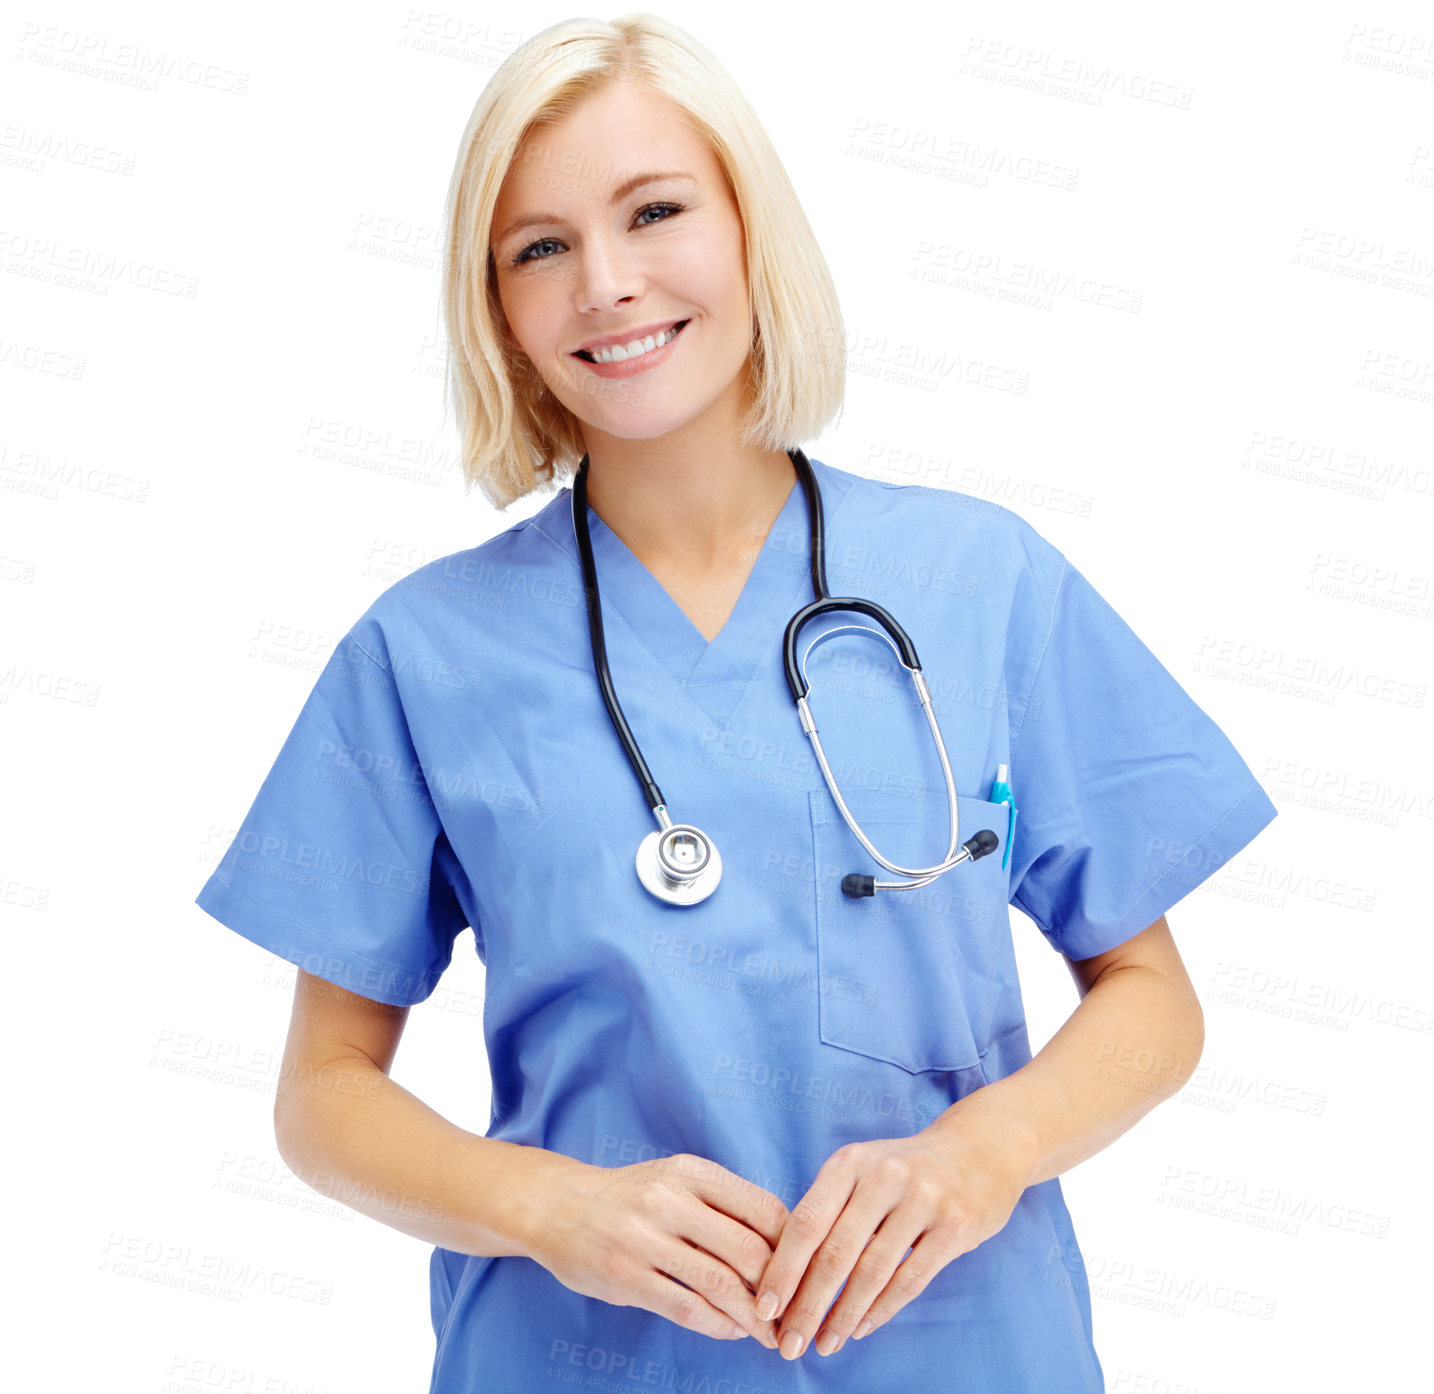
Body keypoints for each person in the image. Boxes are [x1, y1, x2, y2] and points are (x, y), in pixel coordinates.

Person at [194, 13, 1279, 1390]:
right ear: (500, 312)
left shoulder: (978, 578)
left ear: (751, 227)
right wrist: (548, 1206)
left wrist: (983, 1153)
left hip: (961, 1351)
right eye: (539, 246)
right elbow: (323, 1096)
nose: (606, 283)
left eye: (654, 212)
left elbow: (1150, 997)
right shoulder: (423, 652)